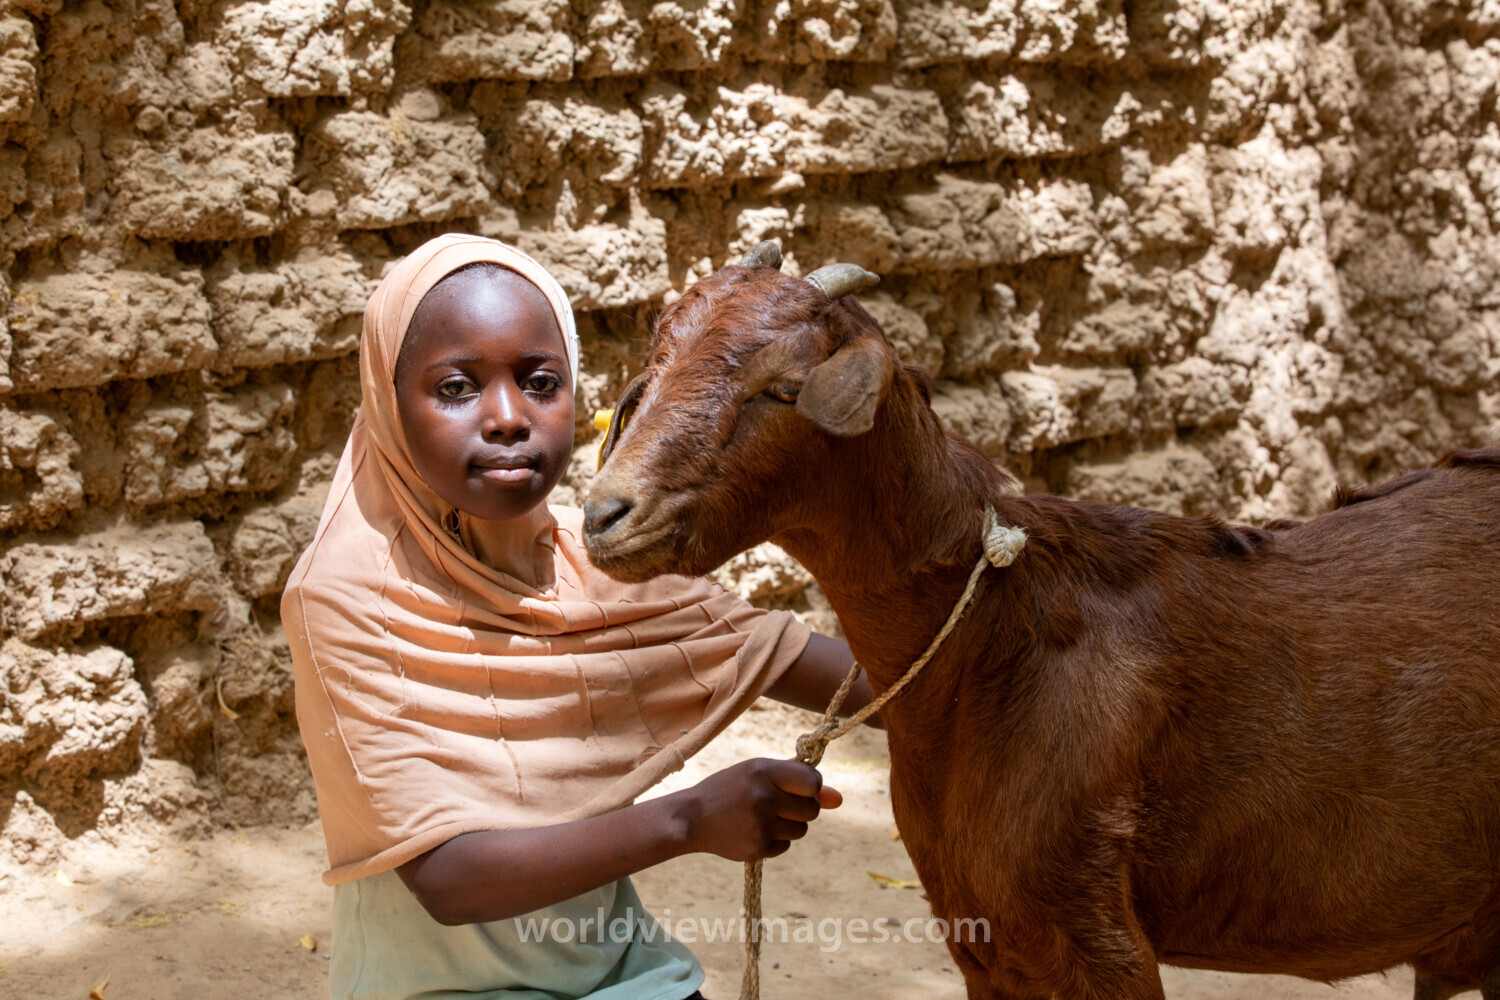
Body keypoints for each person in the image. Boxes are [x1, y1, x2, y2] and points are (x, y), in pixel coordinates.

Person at [282, 234, 881, 1000]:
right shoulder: (344, 599)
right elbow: (448, 878)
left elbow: (882, 685)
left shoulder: (600, 573)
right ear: (388, 405)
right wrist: (690, 819)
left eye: (540, 381)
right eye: (456, 388)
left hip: (630, 982)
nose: (506, 417)